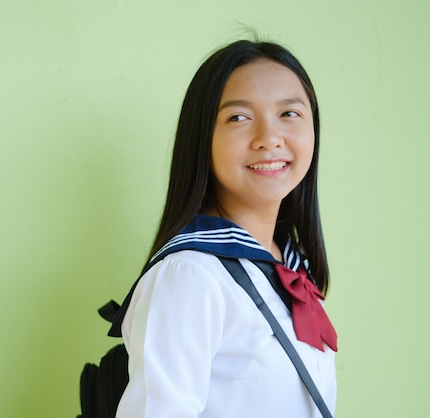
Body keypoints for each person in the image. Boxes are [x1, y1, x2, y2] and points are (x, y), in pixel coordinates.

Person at [109, 39, 338, 418]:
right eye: (238, 117)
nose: (269, 137)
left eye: (289, 114)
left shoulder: (290, 265)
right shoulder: (192, 275)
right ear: (202, 138)